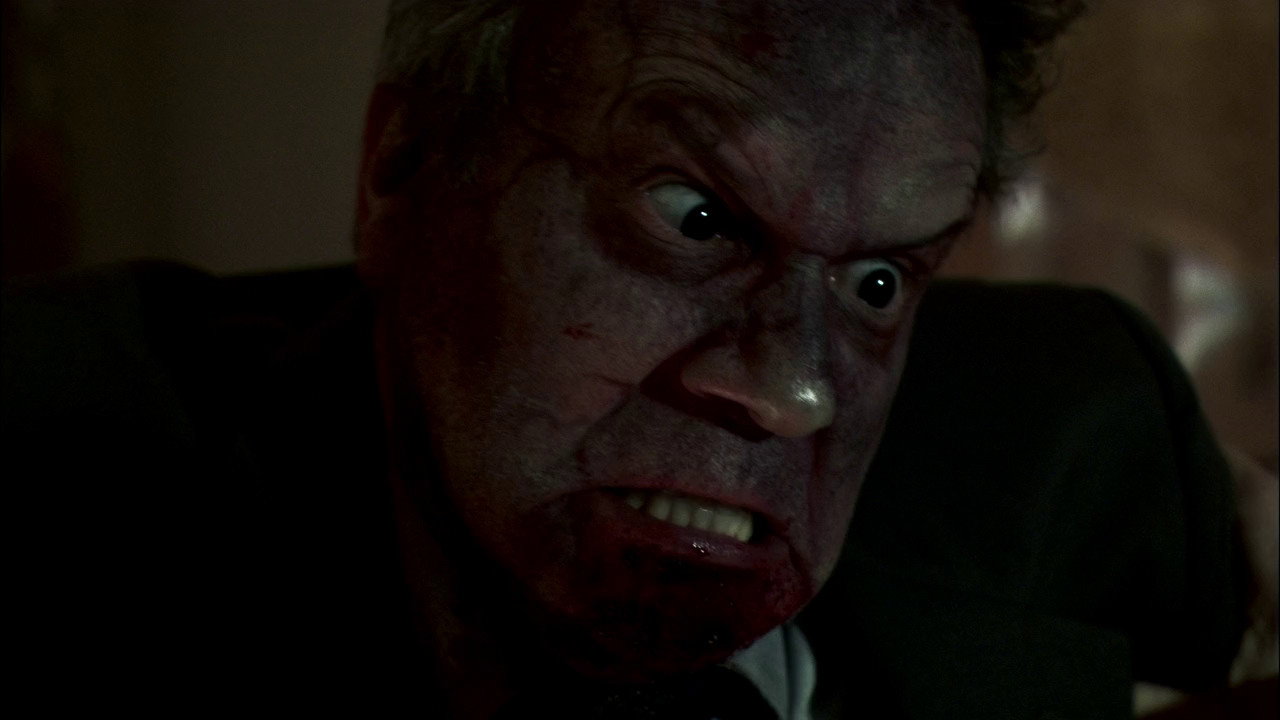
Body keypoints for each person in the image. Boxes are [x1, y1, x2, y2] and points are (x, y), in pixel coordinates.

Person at [5, 1, 1274, 717]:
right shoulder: (65, 477)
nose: (795, 392)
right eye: (697, 219)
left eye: (878, 282)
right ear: (402, 168)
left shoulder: (1088, 437)